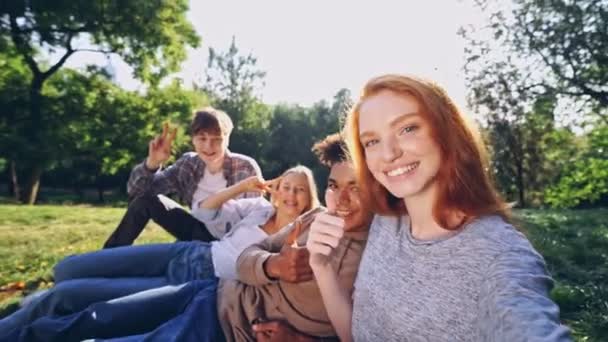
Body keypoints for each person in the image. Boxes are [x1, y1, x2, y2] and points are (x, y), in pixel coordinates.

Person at [307, 74, 573, 341]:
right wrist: (322, 266)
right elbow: (358, 334)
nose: (388, 154)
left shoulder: (500, 255)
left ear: (446, 131)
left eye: (407, 128)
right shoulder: (386, 222)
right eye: (372, 141)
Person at [0, 166, 319, 341]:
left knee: (68, 294)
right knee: (68, 268)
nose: (290, 194)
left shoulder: (301, 236)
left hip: (198, 284)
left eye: (299, 189)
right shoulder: (257, 209)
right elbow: (203, 213)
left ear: (309, 197)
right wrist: (243, 186)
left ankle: (23, 319)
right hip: (190, 253)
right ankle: (29, 308)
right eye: (285, 186)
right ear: (275, 192)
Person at [219, 133, 373, 342]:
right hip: (219, 296)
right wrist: (273, 265)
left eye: (355, 187)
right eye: (334, 186)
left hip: (234, 332)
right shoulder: (314, 217)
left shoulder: (378, 252)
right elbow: (244, 258)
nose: (341, 200)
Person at [103, 107, 262, 248]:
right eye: (202, 138)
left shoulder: (246, 167)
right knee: (145, 200)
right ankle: (107, 258)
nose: (208, 146)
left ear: (227, 139)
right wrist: (152, 162)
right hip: (194, 230)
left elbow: (257, 220)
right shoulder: (188, 164)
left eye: (217, 139)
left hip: (230, 240)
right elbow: (137, 192)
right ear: (193, 139)